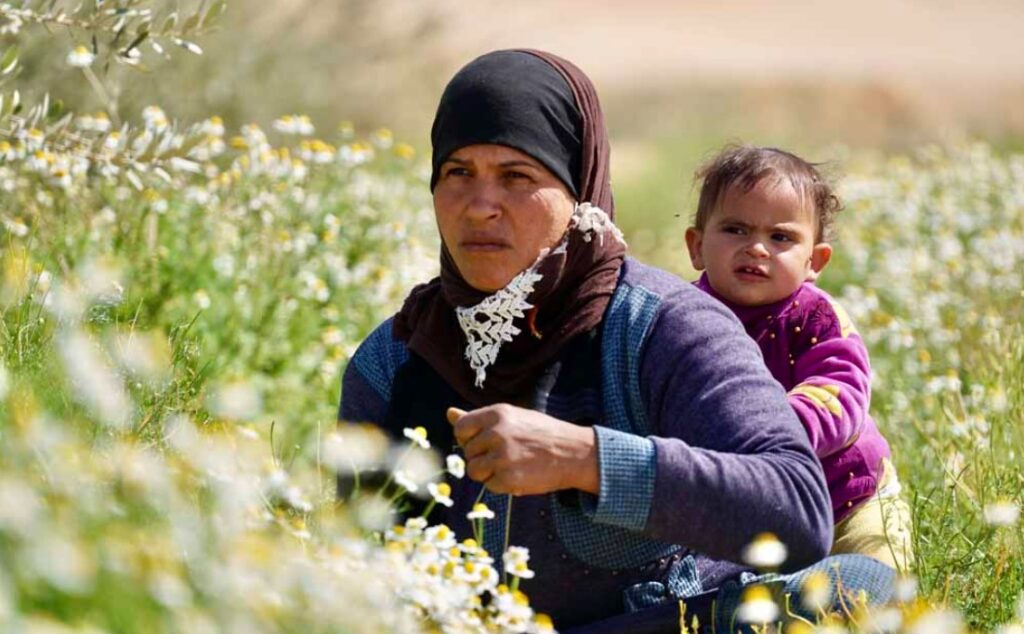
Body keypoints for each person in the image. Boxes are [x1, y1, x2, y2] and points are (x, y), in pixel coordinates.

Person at [340, 49, 894, 632]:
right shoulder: (392, 361)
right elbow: (360, 562)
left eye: (517, 176)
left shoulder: (665, 327)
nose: (481, 206)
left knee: (859, 588)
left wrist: (588, 460)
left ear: (577, 187)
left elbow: (797, 510)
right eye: (458, 173)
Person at [685, 145, 913, 571]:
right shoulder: (683, 315)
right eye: (735, 230)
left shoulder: (815, 317)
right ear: (697, 246)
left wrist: (767, 433)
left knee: (879, 579)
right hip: (753, 507)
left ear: (815, 260)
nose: (756, 248)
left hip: (846, 496)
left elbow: (839, 390)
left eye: (781, 237)